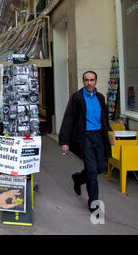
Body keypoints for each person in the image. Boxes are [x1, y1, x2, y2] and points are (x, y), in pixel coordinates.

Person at [59, 71, 111, 212]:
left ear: (96, 81)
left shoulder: (100, 97)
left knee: (99, 168)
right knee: (92, 171)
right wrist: (64, 141)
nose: (89, 83)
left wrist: (109, 134)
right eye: (87, 80)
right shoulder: (77, 97)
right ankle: (94, 204)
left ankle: (78, 178)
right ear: (83, 81)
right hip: (85, 137)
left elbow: (104, 118)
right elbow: (68, 119)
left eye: (92, 80)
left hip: (99, 137)